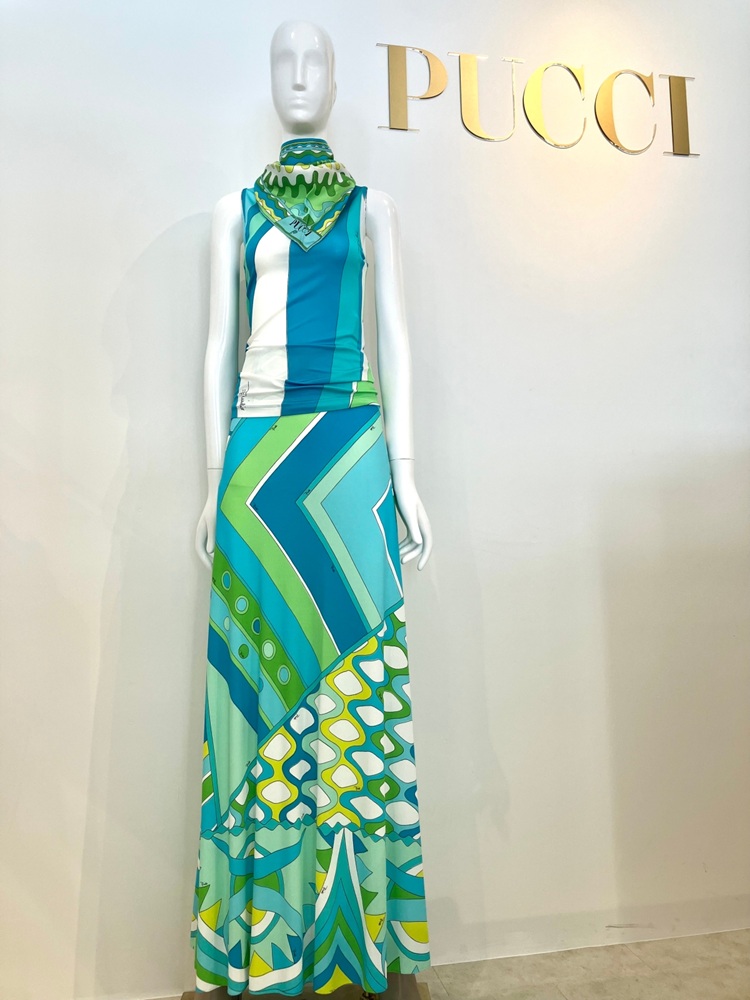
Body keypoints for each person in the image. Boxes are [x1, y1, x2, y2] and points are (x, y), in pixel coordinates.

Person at [191, 20, 432, 1000]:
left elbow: (395, 337)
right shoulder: (234, 211)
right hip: (257, 470)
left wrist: (405, 471)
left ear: (335, 80)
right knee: (256, 700)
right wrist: (211, 479)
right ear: (270, 80)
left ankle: (351, 944)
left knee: (358, 696)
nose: (299, 78)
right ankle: (259, 946)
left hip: (349, 462)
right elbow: (217, 349)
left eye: (316, 62)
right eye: (283, 62)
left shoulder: (375, 210)